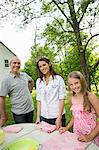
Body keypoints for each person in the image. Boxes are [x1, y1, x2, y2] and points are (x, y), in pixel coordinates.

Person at [59, 71, 99, 145]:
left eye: (76, 83)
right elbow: (75, 116)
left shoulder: (90, 96)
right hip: (77, 133)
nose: (74, 86)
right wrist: (66, 128)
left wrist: (90, 136)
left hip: (91, 134)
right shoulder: (72, 97)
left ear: (82, 81)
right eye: (71, 84)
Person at [0, 57, 34, 126]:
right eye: (14, 63)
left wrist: (30, 91)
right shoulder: (6, 80)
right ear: (10, 64)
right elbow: (1, 98)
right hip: (19, 113)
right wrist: (3, 114)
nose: (17, 65)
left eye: (18, 63)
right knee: (22, 133)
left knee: (30, 130)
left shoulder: (24, 75)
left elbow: (31, 81)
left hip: (30, 109)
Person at [36, 57, 66, 129]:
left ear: (49, 64)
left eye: (44, 65)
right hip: (44, 116)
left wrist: (59, 118)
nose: (42, 68)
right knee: (45, 138)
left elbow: (62, 99)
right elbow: (39, 100)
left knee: (59, 138)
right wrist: (38, 117)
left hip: (56, 115)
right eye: (40, 66)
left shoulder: (58, 79)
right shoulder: (38, 81)